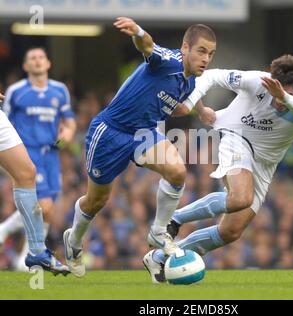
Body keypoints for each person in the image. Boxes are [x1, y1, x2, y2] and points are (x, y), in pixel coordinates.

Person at [143, 54, 293, 283]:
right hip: (237, 139)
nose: (276, 100)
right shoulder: (257, 80)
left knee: (230, 231)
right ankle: (174, 219)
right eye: (274, 93)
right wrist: (193, 105)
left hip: (266, 163)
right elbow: (211, 76)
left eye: (286, 94)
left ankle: (159, 257)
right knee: (240, 198)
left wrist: (284, 97)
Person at [63, 17, 217, 277]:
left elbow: (175, 105)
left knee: (178, 172)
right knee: (96, 200)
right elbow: (147, 46)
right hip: (110, 132)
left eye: (211, 54)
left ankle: (159, 231)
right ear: (185, 47)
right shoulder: (168, 61)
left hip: (143, 134)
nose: (206, 58)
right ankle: (74, 241)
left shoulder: (189, 83)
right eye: (201, 51)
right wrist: (137, 31)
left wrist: (198, 109)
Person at [0, 47, 76, 271]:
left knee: (49, 209)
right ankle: (26, 253)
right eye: (32, 58)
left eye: (41, 57)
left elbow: (69, 120)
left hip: (51, 153)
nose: (37, 61)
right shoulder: (17, 91)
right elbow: (7, 119)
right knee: (41, 204)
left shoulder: (60, 91)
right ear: (25, 66)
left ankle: (27, 250)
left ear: (49, 63)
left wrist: (69, 133)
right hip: (28, 148)